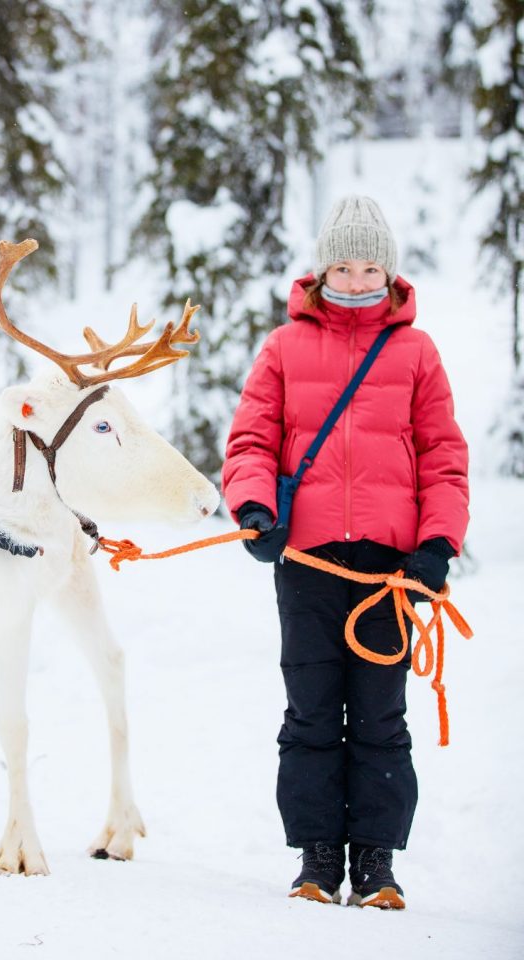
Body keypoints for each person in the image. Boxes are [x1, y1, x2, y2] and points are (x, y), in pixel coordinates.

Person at [222, 195, 469, 910]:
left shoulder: (417, 353)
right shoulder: (283, 348)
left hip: (390, 571)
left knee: (381, 716)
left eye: (369, 267)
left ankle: (378, 863)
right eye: (344, 264)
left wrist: (436, 545)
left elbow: (443, 456)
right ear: (321, 265)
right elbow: (251, 442)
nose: (357, 280)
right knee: (310, 711)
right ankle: (317, 855)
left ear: (388, 272)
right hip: (308, 565)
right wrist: (254, 507)